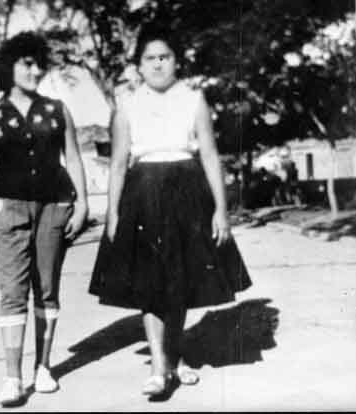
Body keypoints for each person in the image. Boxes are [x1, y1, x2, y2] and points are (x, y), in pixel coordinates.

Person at [89, 22, 252, 398]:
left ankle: (174, 358)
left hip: (188, 191)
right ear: (139, 66)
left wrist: (221, 210)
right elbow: (118, 163)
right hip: (143, 194)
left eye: (165, 57)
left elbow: (209, 155)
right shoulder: (127, 104)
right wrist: (112, 212)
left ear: (177, 61)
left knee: (179, 280)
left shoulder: (193, 100)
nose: (158, 64)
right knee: (150, 282)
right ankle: (158, 367)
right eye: (150, 58)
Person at [0, 32, 89, 407]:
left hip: (54, 207)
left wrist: (82, 204)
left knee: (47, 289)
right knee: (12, 293)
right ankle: (13, 378)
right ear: (8, 66)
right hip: (7, 210)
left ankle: (43, 367)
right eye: (26, 63)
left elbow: (73, 158)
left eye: (39, 64)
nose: (34, 71)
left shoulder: (57, 110)